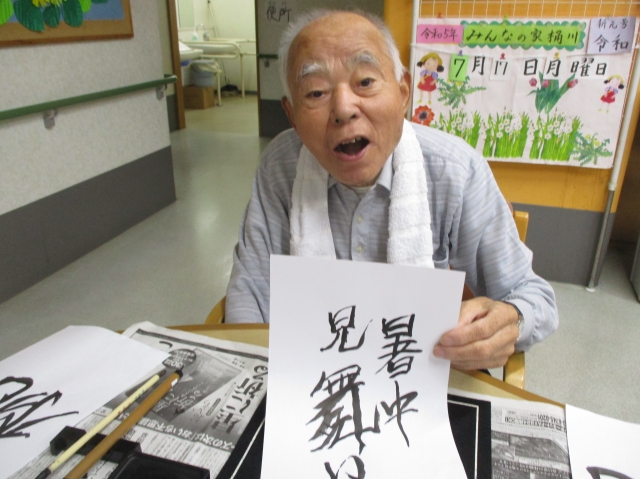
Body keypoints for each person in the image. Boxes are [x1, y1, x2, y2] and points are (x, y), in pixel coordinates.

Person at [225, 10, 558, 371]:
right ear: (291, 115)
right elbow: (250, 293)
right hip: (311, 377)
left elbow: (533, 297)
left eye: (365, 81)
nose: (343, 109)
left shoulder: (455, 171)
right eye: (316, 91)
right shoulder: (279, 168)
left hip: (421, 381)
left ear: (403, 93)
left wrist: (509, 321)